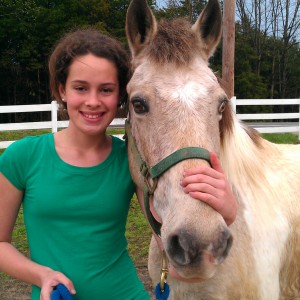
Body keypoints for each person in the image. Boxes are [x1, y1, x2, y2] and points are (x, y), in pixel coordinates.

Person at [0, 29, 237, 300]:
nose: (93, 101)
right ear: (61, 90)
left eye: (106, 90)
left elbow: (179, 266)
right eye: (80, 88)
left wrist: (226, 215)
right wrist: (40, 275)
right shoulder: (22, 157)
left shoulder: (130, 161)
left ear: (120, 98)